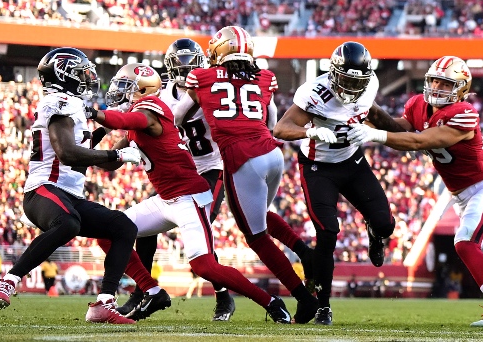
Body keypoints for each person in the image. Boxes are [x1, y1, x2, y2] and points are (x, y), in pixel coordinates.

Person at [347, 55, 483, 329]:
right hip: (461, 197)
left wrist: (375, 135)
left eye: (445, 83)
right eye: (434, 81)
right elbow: (397, 129)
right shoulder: (418, 105)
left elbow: (418, 141)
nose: (437, 88)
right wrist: (370, 112)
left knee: (464, 242)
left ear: (461, 88)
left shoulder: (464, 113)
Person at [92, 63, 294, 323]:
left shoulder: (150, 110)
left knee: (204, 266)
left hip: (189, 198)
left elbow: (125, 120)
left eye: (125, 86)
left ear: (142, 90)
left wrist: (92, 112)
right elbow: (109, 161)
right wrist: (92, 147)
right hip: (165, 199)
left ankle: (270, 301)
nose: (118, 91)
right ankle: (152, 291)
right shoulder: (138, 117)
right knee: (108, 231)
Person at [129, 37, 313, 321]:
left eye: (191, 61)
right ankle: (143, 290)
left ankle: (223, 295)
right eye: (181, 62)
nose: (186, 67)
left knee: (209, 230)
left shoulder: (205, 84)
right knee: (149, 228)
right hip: (183, 170)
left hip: (213, 166)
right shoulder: (164, 96)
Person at [0, 48, 143, 324]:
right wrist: (115, 154)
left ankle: (104, 303)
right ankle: (7, 282)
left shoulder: (72, 105)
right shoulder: (58, 102)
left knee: (124, 227)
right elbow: (68, 153)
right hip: (44, 190)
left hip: (69, 195)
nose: (87, 77)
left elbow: (85, 148)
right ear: (64, 74)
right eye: (81, 72)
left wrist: (113, 124)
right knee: (69, 224)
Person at [184, 27, 320, 323]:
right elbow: (270, 120)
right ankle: (303, 251)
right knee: (259, 214)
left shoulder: (201, 77)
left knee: (255, 236)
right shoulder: (264, 77)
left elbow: (180, 116)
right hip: (271, 153)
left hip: (241, 156)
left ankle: (303, 298)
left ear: (220, 51)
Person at [273, 41, 397, 326]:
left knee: (385, 224)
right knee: (327, 233)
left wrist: (402, 133)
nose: (352, 87)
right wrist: (312, 131)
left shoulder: (370, 86)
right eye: (346, 79)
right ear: (333, 73)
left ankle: (374, 233)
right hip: (319, 168)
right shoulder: (315, 93)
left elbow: (375, 114)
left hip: (352, 162)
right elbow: (281, 128)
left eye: (358, 81)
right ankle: (323, 306)